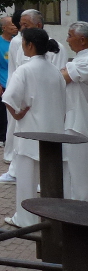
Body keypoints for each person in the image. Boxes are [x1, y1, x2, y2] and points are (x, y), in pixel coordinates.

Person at [1, 27, 66, 227]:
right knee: (50, 181)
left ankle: (25, 218)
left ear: (30, 45)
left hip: (29, 132)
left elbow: (9, 98)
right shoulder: (55, 71)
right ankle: (51, 217)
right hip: (53, 133)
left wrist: (17, 115)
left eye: (23, 44)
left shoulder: (25, 69)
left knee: (26, 181)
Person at [0, 9, 41, 184]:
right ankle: (14, 169)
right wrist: (11, 92)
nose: (21, 28)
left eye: (25, 25)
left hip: (38, 97)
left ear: (38, 25)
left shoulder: (51, 44)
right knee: (15, 130)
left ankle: (38, 176)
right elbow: (13, 68)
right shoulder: (16, 42)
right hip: (18, 92)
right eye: (20, 25)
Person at [62, 21, 88, 201]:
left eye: (70, 36)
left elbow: (62, 77)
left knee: (79, 173)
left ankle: (79, 214)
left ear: (83, 40)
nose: (67, 40)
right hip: (74, 119)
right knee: (72, 170)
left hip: (80, 123)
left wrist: (65, 70)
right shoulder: (79, 59)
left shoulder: (85, 61)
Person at [0, 15, 18, 147]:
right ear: (4, 27)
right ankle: (0, 137)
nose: (15, 27)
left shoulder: (17, 42)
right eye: (12, 25)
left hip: (15, 81)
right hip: (3, 81)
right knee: (2, 110)